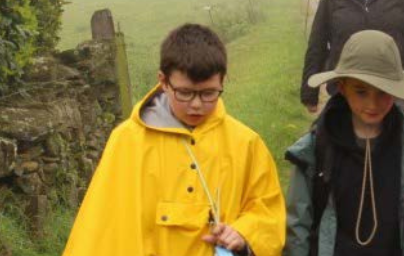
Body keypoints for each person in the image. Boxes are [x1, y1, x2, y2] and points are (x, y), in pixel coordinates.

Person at [63, 24, 286, 256]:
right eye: (185, 93)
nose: (197, 104)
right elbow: (101, 229)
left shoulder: (247, 143)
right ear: (163, 81)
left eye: (209, 93)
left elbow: (268, 213)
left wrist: (243, 233)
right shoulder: (128, 140)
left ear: (223, 82)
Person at [285, 30, 404, 256]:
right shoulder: (317, 145)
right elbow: (298, 220)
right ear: (342, 87)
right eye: (361, 91)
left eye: (383, 93)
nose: (373, 104)